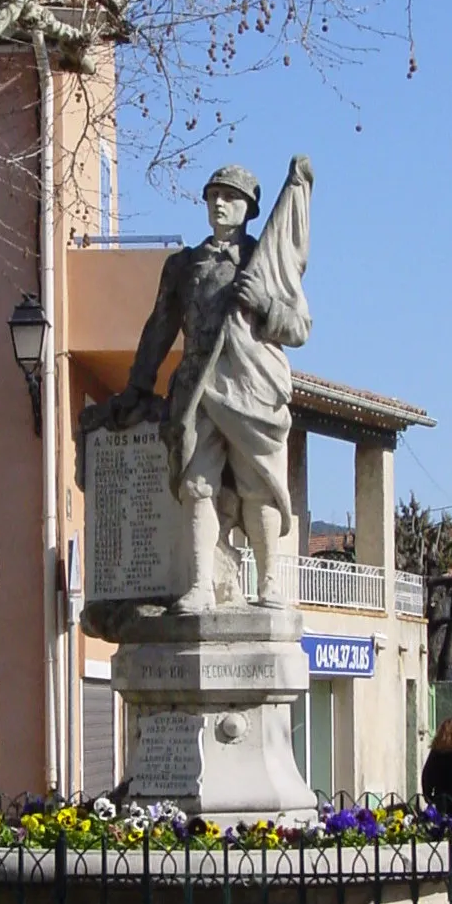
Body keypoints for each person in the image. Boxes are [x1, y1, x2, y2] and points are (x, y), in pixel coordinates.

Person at [107, 157, 313, 613]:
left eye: (230, 197)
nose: (219, 203)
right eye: (213, 195)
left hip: (253, 388)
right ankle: (200, 584)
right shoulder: (183, 265)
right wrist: (139, 385)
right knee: (197, 484)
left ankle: (269, 582)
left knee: (259, 486)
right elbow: (159, 327)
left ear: (249, 209)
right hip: (199, 387)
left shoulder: (267, 264)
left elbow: (299, 328)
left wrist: (265, 305)